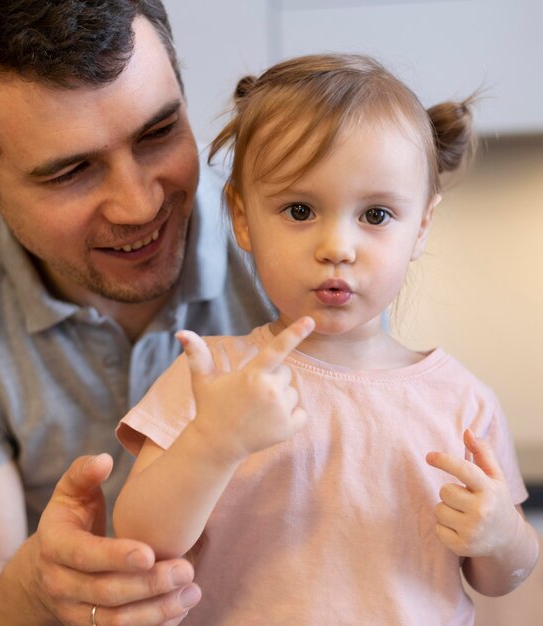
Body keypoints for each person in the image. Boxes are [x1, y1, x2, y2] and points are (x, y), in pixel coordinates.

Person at [112, 53, 541, 624]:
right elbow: (141, 542)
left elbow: (502, 577)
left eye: (377, 215)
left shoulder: (463, 403)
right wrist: (213, 443)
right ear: (241, 217)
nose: (337, 245)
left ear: (423, 226)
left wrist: (501, 534)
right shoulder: (213, 379)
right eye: (299, 209)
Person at [0, 1, 275, 625]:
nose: (139, 206)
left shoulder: (295, 242)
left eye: (159, 132)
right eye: (72, 171)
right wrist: (37, 587)